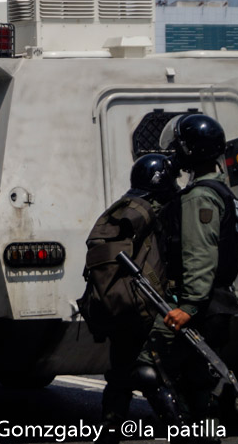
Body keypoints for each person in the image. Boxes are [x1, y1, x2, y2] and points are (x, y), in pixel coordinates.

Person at [135, 114, 238, 434]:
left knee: (146, 365)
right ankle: (203, 436)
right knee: (200, 381)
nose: (174, 153)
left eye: (179, 146)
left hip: (196, 305)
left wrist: (188, 306)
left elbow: (201, 254)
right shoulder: (226, 194)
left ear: (191, 150)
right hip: (217, 302)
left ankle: (183, 434)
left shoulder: (200, 197)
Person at [86, 154, 179, 441]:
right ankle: (180, 426)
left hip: (118, 300)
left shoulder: (123, 208)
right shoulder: (154, 211)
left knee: (120, 368)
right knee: (151, 368)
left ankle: (111, 425)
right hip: (146, 301)